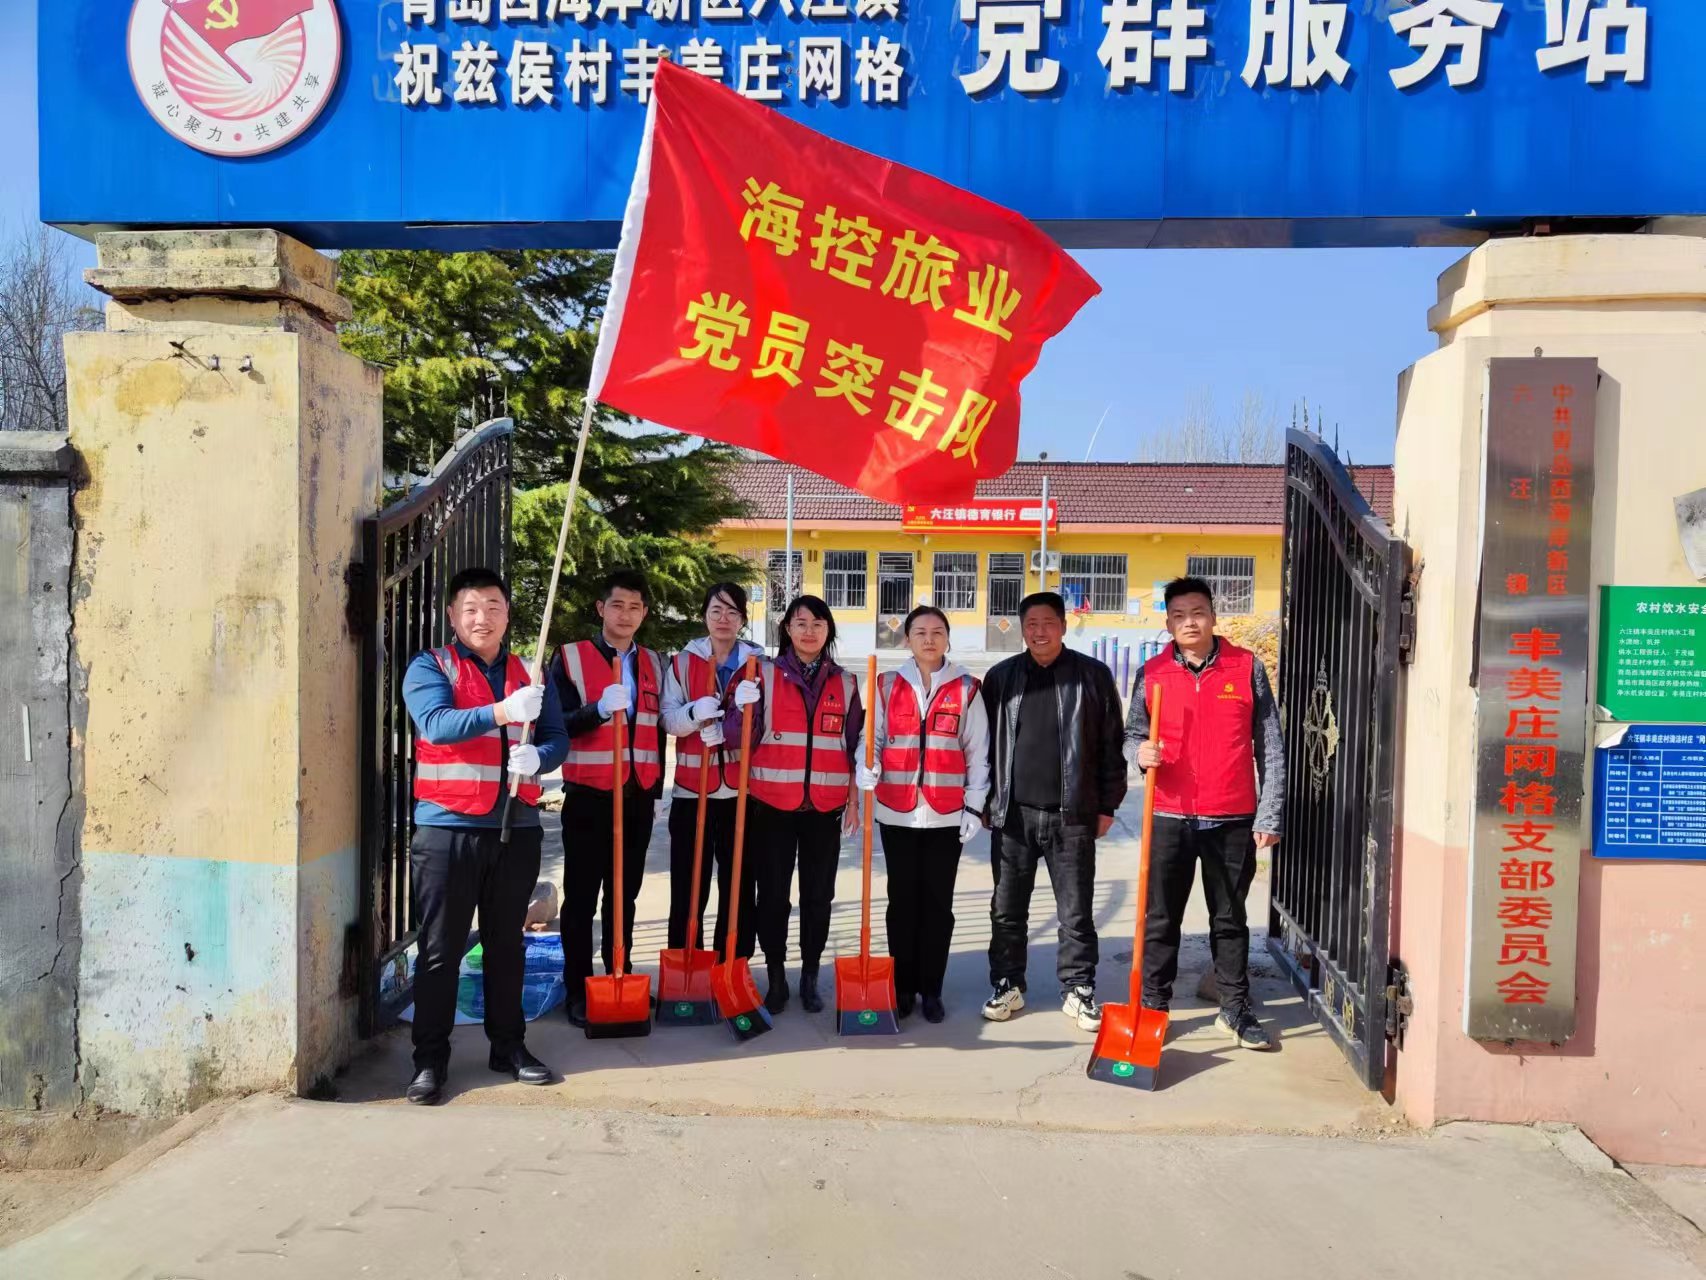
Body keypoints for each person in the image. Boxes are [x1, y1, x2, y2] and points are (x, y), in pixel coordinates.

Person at [399, 567, 568, 1104]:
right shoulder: (431, 666)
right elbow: (436, 723)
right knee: (440, 951)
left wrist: (539, 756)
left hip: (516, 828)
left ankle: (509, 1046)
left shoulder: (529, 673)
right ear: (453, 616)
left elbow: (558, 737)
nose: (482, 618)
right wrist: (502, 711)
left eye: (493, 607)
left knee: (506, 947)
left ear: (507, 615)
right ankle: (430, 1059)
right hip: (447, 829)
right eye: (471, 608)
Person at [1127, 576, 1284, 1051]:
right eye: (1178, 615)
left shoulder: (1246, 667)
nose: (1189, 622)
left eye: (1197, 613)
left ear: (1214, 617)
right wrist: (1139, 754)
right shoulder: (1153, 672)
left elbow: (1271, 745)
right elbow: (1132, 734)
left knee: (1229, 919)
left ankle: (1234, 1008)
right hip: (1169, 815)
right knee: (1160, 919)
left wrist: (1269, 813)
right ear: (1168, 624)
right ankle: (1154, 1007)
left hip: (1231, 815)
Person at [979, 592, 1128, 1030]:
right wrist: (986, 801)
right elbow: (983, 747)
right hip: (1013, 815)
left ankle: (1078, 989)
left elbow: (1112, 745)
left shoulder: (1092, 676)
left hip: (1073, 815)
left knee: (1075, 911)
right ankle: (1008, 983)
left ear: (1063, 626)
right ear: (1022, 629)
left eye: (1048, 623)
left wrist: (1107, 805)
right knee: (1007, 909)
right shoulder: (1001, 678)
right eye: (1031, 624)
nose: (1039, 631)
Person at [855, 606, 989, 1023]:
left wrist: (975, 805)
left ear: (947, 638)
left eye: (937, 632)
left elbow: (978, 751)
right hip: (897, 812)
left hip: (946, 815)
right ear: (907, 639)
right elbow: (872, 738)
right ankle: (902, 988)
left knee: (937, 906)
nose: (929, 639)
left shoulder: (967, 687)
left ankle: (932, 989)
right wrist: (865, 764)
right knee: (901, 903)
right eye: (920, 632)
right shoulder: (886, 684)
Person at [550, 569, 667, 1027]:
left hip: (637, 796)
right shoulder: (571, 658)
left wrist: (655, 790)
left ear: (644, 613)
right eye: (617, 605)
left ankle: (621, 974)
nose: (626, 615)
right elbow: (557, 723)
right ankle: (578, 988)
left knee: (625, 895)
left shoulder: (654, 663)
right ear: (601, 608)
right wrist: (597, 710)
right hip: (589, 796)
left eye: (635, 607)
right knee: (581, 897)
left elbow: (656, 730)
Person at [741, 595, 863, 1015]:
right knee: (773, 897)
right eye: (801, 623)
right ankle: (776, 976)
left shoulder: (846, 683)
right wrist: (738, 707)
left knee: (818, 896)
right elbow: (739, 736)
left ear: (829, 630)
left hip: (824, 809)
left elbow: (854, 747)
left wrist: (853, 801)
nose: (809, 631)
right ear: (787, 629)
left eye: (818, 624)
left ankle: (810, 975)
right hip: (772, 806)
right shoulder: (762, 675)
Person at [660, 582, 766, 959]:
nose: (723, 619)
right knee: (689, 887)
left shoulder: (759, 665)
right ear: (703, 615)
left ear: (742, 619)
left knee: (739, 886)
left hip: (742, 795)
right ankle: (687, 960)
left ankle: (732, 963)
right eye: (716, 611)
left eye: (732, 612)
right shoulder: (682, 663)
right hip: (692, 792)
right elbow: (667, 718)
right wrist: (693, 713)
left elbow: (768, 725)